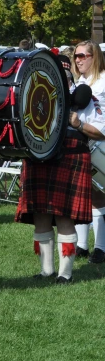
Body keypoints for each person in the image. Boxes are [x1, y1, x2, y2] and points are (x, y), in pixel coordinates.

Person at [16, 55, 105, 283]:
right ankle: (46, 270)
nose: (60, 80)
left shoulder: (85, 98)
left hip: (70, 155)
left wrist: (79, 124)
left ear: (69, 75)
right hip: (40, 158)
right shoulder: (39, 93)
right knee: (41, 213)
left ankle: (65, 273)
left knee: (64, 216)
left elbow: (101, 132)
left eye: (64, 76)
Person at [71, 40, 105, 262]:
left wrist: (80, 126)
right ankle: (82, 245)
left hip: (99, 143)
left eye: (83, 56)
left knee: (99, 195)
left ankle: (101, 247)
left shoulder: (103, 83)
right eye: (76, 56)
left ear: (95, 57)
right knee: (82, 193)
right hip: (80, 144)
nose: (78, 60)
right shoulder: (78, 83)